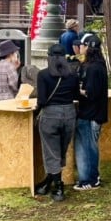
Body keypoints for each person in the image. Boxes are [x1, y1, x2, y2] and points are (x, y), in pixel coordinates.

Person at [34, 44, 81, 201]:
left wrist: (35, 112)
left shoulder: (43, 75)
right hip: (69, 113)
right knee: (60, 150)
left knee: (51, 151)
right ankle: (48, 181)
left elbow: (41, 100)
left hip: (51, 114)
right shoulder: (73, 75)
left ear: (49, 57)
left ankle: (58, 186)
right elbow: (76, 95)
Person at [74, 34, 108, 191]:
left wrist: (78, 91)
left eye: (82, 45)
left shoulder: (92, 68)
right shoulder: (99, 65)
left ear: (87, 47)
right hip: (95, 113)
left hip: (90, 114)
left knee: (87, 147)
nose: (79, 47)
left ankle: (89, 179)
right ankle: (90, 177)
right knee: (89, 146)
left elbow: (91, 93)